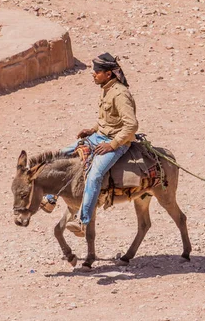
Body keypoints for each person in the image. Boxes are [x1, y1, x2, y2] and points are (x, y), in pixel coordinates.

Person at [42, 53, 138, 237]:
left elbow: (131, 125)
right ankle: (50, 197)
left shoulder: (120, 94)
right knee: (62, 154)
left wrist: (113, 144)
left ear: (108, 74)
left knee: (94, 175)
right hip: (99, 136)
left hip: (117, 142)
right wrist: (92, 130)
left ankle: (83, 221)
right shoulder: (106, 88)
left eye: (97, 71)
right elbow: (109, 120)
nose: (93, 74)